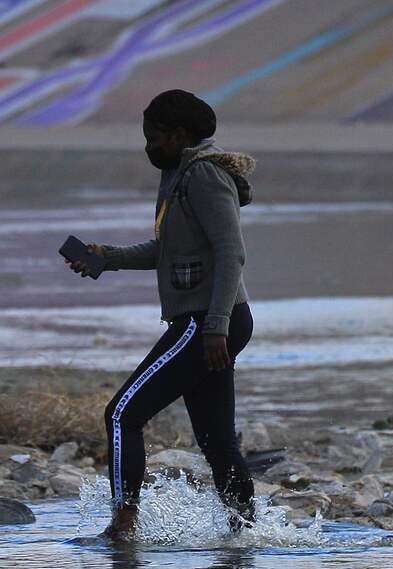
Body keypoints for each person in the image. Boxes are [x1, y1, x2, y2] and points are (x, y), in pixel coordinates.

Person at [66, 89, 257, 540]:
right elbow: (168, 250)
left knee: (121, 415)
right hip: (209, 321)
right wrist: (106, 258)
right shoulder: (177, 176)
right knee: (217, 443)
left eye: (153, 138)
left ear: (179, 134)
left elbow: (232, 252)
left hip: (207, 320)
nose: (148, 146)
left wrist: (215, 328)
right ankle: (245, 536)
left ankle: (124, 524)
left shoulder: (205, 175)